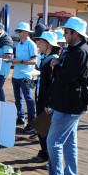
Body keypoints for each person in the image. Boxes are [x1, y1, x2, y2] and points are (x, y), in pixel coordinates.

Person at [39, 17, 88, 175]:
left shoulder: (80, 52)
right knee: (69, 142)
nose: (64, 35)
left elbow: (65, 77)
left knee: (53, 142)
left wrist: (55, 67)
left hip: (69, 105)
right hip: (68, 103)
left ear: (75, 34)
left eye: (66, 32)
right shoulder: (73, 49)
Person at [31, 31, 61, 163]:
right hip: (42, 99)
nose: (39, 44)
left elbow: (52, 85)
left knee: (45, 130)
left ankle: (48, 155)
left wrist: (48, 103)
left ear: (49, 45)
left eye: (41, 42)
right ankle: (45, 152)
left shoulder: (52, 61)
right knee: (41, 128)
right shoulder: (46, 59)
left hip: (46, 101)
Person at [12, 22, 38, 133]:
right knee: (18, 98)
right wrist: (13, 61)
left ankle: (32, 122)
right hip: (16, 75)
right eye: (18, 31)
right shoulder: (19, 44)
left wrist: (20, 61)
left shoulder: (31, 44)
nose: (18, 33)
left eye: (20, 31)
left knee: (29, 99)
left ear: (26, 32)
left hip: (26, 76)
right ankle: (21, 117)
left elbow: (34, 61)